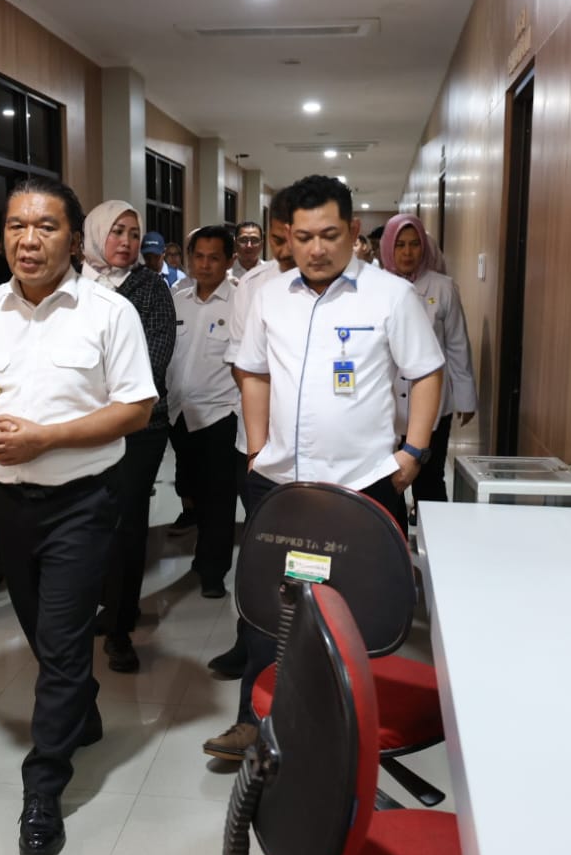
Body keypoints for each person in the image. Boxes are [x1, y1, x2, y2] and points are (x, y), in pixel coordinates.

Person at [0, 176, 156, 855]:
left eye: (44, 227)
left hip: (82, 502)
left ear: (72, 239)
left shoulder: (109, 312)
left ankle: (43, 787)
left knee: (62, 641)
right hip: (8, 499)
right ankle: (80, 709)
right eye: (15, 226)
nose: (27, 241)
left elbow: (136, 409)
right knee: (41, 631)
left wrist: (47, 438)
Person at [203, 175, 444, 761]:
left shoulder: (390, 296)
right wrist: (256, 448)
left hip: (363, 483)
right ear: (288, 235)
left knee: (356, 611)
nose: (316, 249)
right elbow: (253, 372)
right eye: (304, 236)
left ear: (354, 231)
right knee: (270, 608)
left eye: (329, 235)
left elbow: (426, 372)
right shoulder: (270, 296)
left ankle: (343, 733)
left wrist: (412, 453)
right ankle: (255, 723)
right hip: (281, 482)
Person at [202, 189, 296, 682]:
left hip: (320, 448)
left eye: (296, 237)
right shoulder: (252, 287)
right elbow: (240, 363)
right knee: (261, 549)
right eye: (279, 238)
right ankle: (251, 643)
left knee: (308, 552)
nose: (288, 248)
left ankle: (306, 652)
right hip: (258, 443)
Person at [80, 201, 176, 674]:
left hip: (139, 426)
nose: (126, 241)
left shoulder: (151, 287)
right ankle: (106, 605)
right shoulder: (71, 286)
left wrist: (87, 389)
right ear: (96, 234)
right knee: (88, 521)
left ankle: (120, 629)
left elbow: (152, 360)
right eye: (117, 231)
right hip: (80, 429)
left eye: (134, 234)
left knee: (125, 523)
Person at [167, 225, 242, 599]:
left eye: (214, 258)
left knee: (219, 499)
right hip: (179, 414)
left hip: (220, 416)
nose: (205, 264)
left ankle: (214, 571)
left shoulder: (241, 303)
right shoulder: (177, 299)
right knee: (192, 491)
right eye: (198, 256)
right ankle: (202, 557)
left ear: (229, 261)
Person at [382, 213, 477, 504]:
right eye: (400, 245)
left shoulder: (443, 287)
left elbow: (457, 345)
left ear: (424, 247)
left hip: (435, 401)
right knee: (387, 480)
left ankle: (434, 531)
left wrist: (465, 398)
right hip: (386, 401)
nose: (407, 252)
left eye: (414, 244)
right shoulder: (378, 287)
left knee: (430, 477)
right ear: (388, 247)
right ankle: (392, 531)